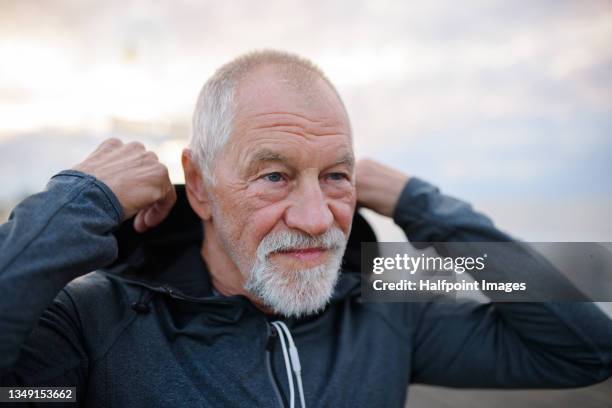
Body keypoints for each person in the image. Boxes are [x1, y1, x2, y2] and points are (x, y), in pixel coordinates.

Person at [0, 50, 611, 408]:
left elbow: (586, 348)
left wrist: (419, 204)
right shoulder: (92, 318)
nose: (317, 220)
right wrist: (82, 200)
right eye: (274, 176)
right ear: (202, 184)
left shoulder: (384, 292)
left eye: (336, 176)